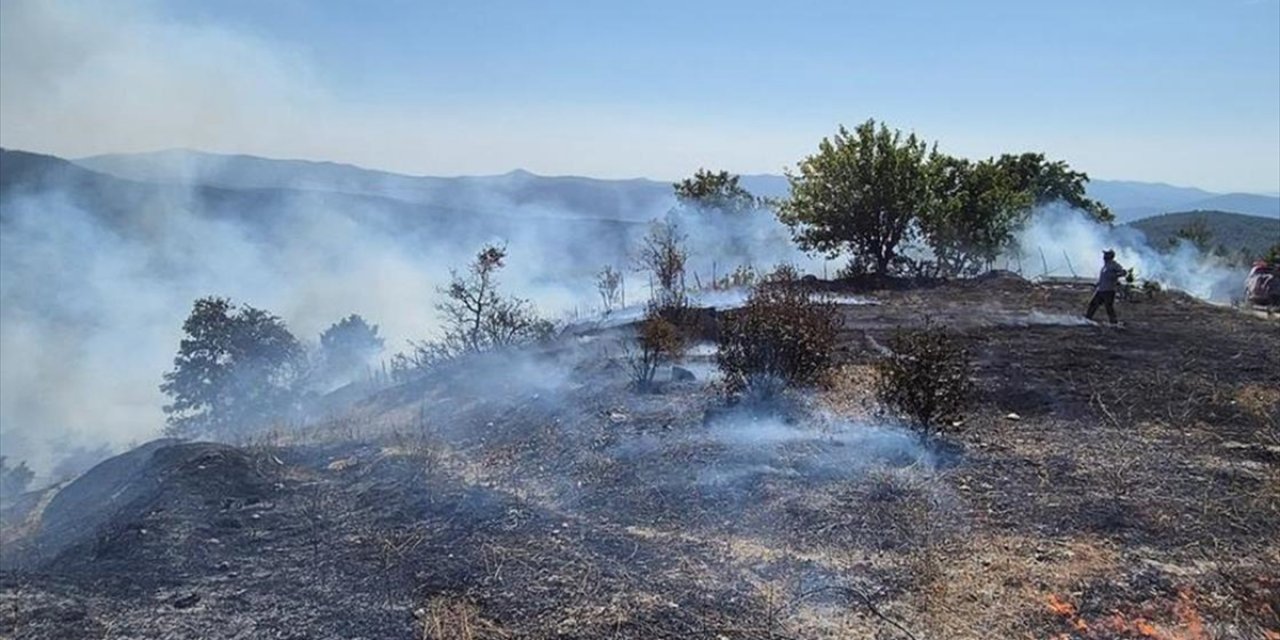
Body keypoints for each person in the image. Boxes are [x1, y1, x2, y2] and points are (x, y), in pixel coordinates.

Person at [1085, 249, 1126, 324]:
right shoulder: (1105, 266)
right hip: (1101, 290)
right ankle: (1087, 319)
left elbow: (1123, 272)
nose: (1104, 257)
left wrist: (1115, 276)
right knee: (1093, 304)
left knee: (1108, 307)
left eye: (1106, 255)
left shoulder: (1114, 265)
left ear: (1109, 257)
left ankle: (1114, 322)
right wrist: (1097, 284)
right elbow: (1103, 278)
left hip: (1109, 290)